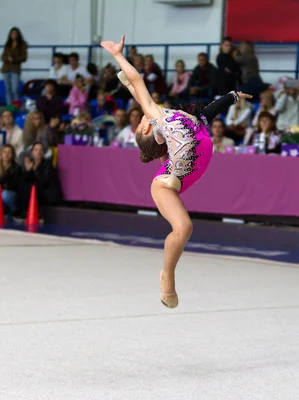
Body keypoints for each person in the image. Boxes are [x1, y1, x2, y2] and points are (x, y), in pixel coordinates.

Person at [101, 35, 251, 309]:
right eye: (140, 122)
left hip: (172, 175)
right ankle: (167, 274)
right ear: (150, 130)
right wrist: (118, 57)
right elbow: (138, 84)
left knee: (185, 228)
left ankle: (168, 272)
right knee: (183, 227)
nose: (141, 114)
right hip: (164, 185)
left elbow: (210, 109)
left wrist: (233, 96)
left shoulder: (189, 120)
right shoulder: (160, 118)